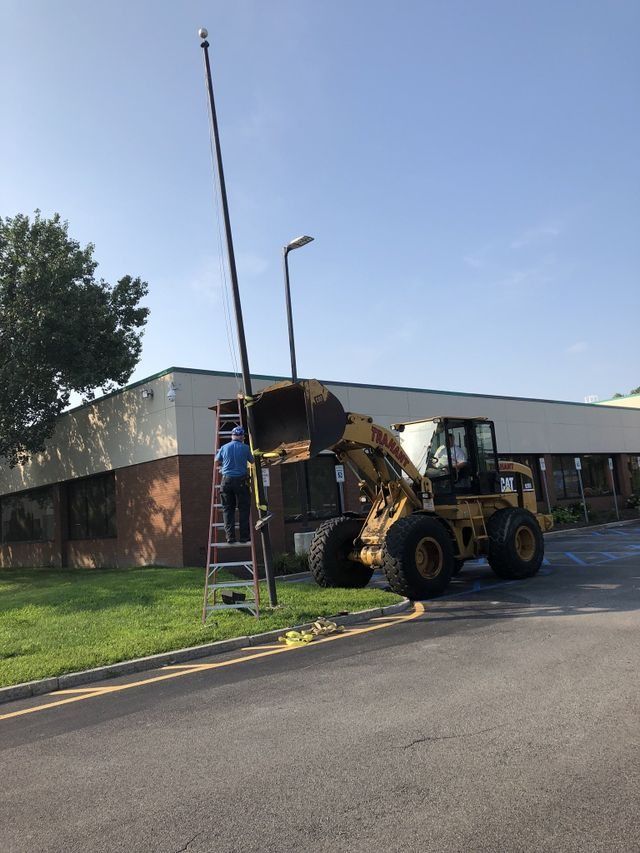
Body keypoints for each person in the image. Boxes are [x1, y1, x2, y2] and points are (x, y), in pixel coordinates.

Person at [215, 426, 254, 544]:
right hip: (241, 481)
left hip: (226, 481)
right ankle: (244, 537)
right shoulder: (245, 448)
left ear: (232, 436)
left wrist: (224, 466)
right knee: (243, 509)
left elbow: (217, 460)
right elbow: (252, 461)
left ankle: (230, 537)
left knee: (227, 510)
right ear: (242, 436)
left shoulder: (224, 447)